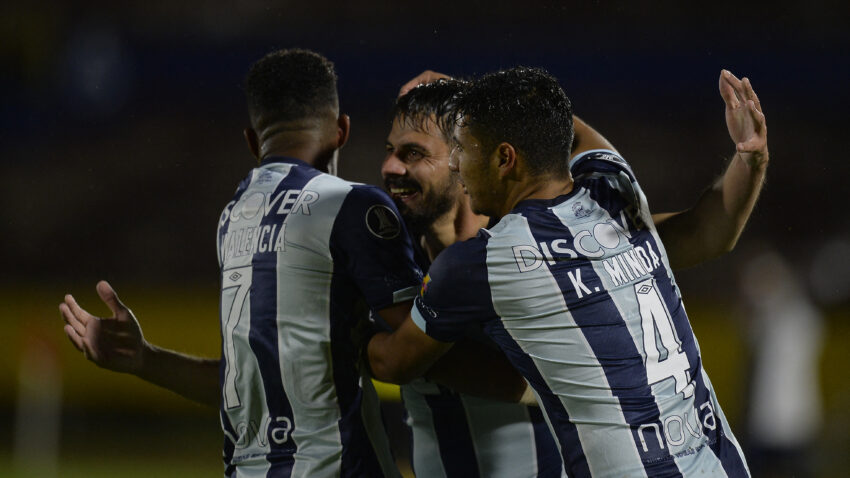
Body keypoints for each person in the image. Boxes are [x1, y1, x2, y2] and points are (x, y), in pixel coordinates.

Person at [368, 67, 766, 476]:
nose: (458, 163)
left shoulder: (484, 261)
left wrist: (326, 323)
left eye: (464, 149)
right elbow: (564, 129)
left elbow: (392, 363)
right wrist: (479, 94)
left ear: (504, 157)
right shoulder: (614, 191)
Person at [60, 49, 426, 478]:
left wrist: (144, 358)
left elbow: (246, 380)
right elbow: (416, 343)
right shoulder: (351, 205)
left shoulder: (233, 217)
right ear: (342, 130)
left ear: (252, 140)